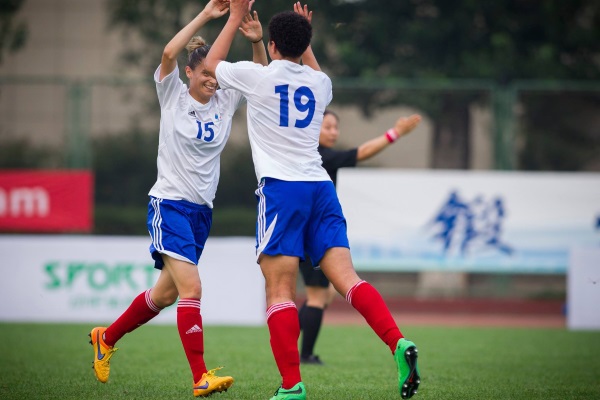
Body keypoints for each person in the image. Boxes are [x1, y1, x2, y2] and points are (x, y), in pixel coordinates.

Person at [204, 1, 421, 399]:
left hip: (283, 191)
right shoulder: (321, 85)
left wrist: (235, 16)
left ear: (271, 45)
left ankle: (292, 386)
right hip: (321, 188)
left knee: (280, 291)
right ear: (305, 43)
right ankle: (398, 343)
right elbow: (311, 68)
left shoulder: (257, 78)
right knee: (349, 280)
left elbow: (209, 64)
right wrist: (304, 37)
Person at [88, 0, 267, 397]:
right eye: (205, 73)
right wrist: (208, 14)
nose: (212, 81)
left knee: (165, 294)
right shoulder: (172, 94)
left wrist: (257, 42)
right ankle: (200, 376)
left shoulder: (224, 99)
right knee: (192, 290)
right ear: (189, 72)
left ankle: (108, 337)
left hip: (202, 212)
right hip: (168, 205)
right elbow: (168, 52)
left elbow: (260, 77)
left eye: (215, 75)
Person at [299, 109, 422, 365]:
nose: (333, 132)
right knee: (317, 296)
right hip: (312, 233)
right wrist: (395, 133)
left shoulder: (309, 154)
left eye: (336, 127)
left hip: (309, 230)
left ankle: (294, 339)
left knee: (327, 294)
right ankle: (305, 355)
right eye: (327, 126)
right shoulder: (319, 155)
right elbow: (361, 152)